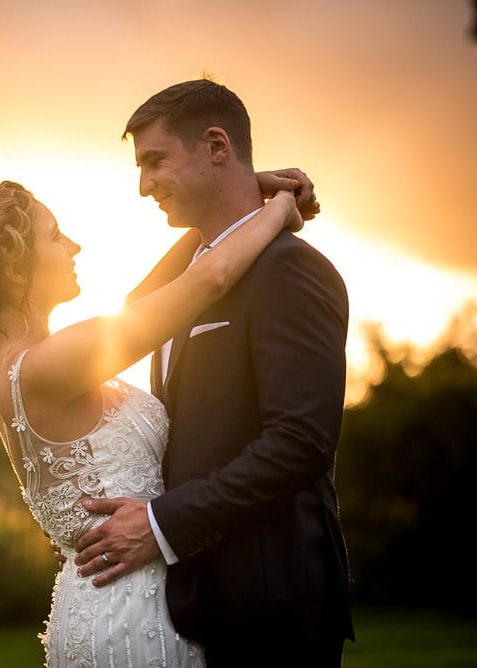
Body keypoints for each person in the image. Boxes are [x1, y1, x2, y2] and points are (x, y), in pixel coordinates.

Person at [0, 165, 312, 666]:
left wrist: (240, 194)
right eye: (56, 236)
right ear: (17, 268)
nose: (74, 247)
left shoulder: (16, 361)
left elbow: (143, 302)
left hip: (103, 602)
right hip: (132, 615)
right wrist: (280, 208)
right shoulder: (49, 364)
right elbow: (208, 279)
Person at [72, 78, 355, 667]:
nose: (143, 185)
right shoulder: (192, 280)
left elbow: (300, 442)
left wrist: (158, 523)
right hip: (193, 598)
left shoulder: (291, 272)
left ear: (217, 145)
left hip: (271, 603)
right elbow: (131, 319)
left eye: (154, 162)